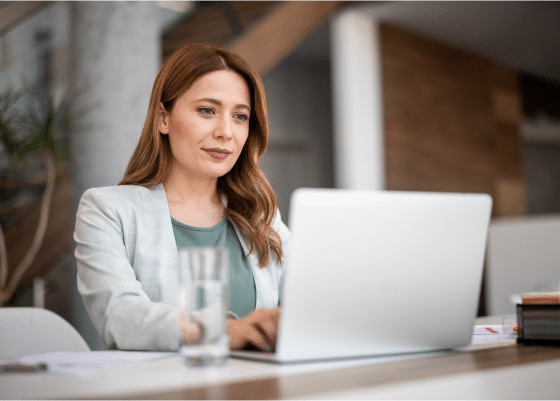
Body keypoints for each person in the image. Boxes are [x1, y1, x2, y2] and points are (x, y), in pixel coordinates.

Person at [74, 43, 290, 352]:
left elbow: (311, 299)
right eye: (207, 110)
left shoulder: (261, 216)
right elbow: (119, 316)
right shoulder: (107, 210)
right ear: (164, 118)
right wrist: (225, 331)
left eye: (240, 116)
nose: (226, 132)